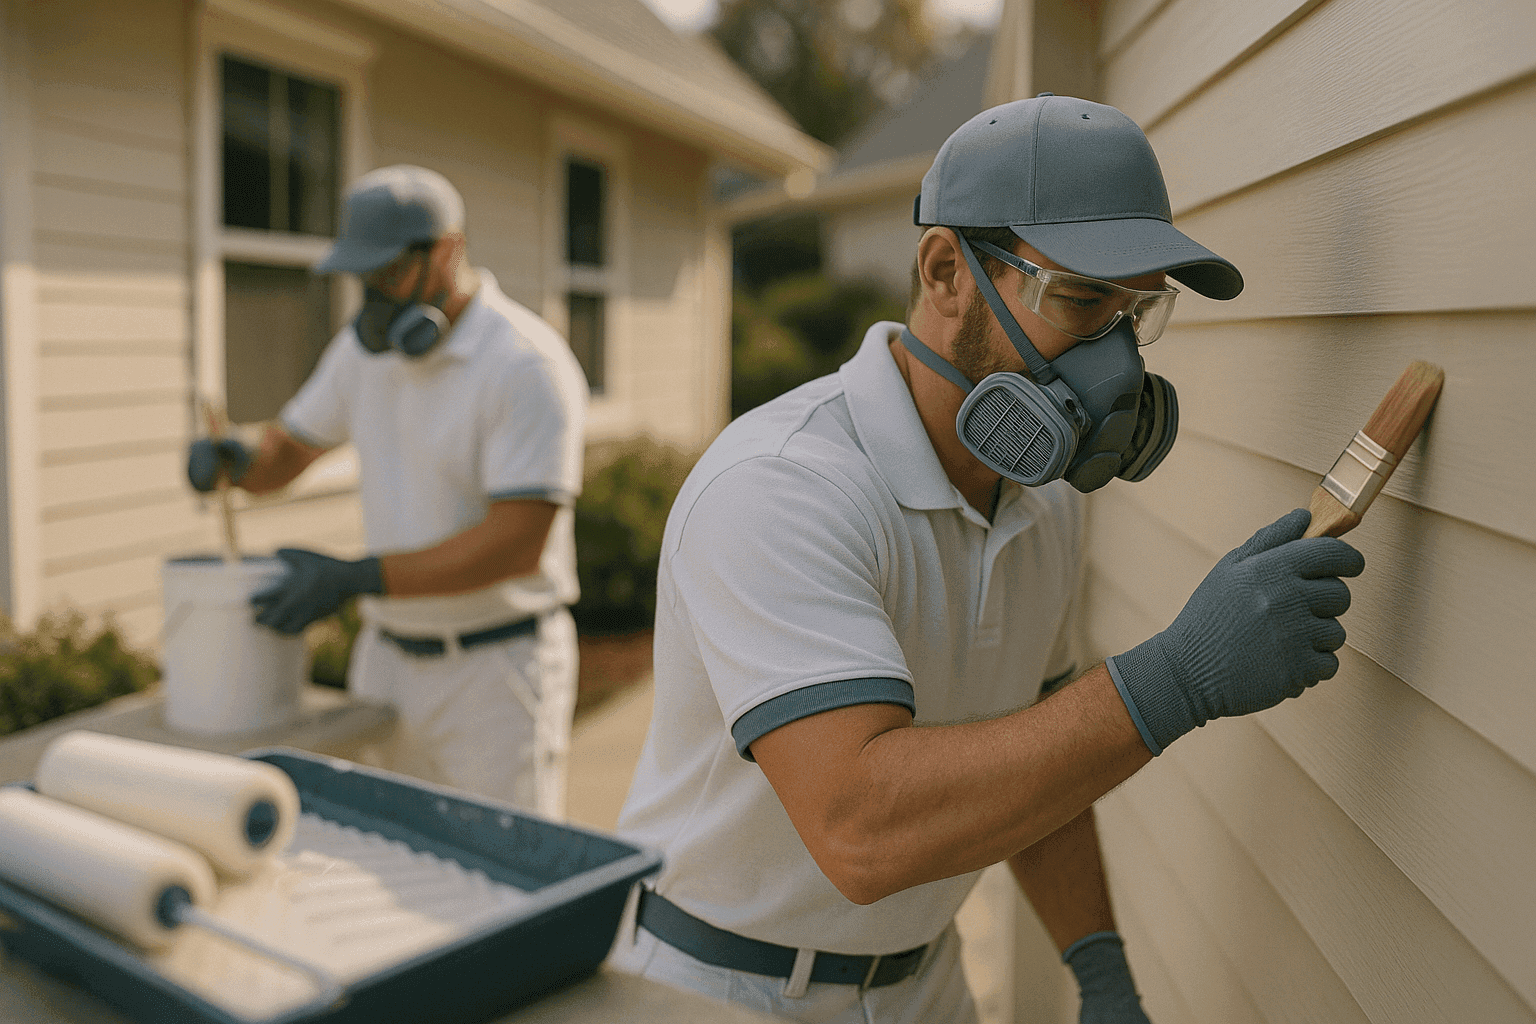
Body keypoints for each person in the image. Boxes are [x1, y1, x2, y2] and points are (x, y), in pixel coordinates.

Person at [609, 95, 1364, 1024]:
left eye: (1136, 313)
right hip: (723, 989)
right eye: (1082, 301)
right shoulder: (779, 490)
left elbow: (1034, 751)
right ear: (944, 271)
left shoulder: (1043, 505)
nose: (1115, 364)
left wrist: (1099, 970)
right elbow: (860, 828)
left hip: (925, 983)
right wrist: (1177, 679)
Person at [186, 165, 589, 817]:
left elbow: (515, 543)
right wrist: (237, 457)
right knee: (384, 855)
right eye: (361, 276)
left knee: (500, 880)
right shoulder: (361, 353)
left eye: (389, 273)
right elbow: (287, 453)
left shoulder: (523, 365)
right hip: (386, 664)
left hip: (494, 674)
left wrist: (355, 578)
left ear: (447, 253)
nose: (372, 296)